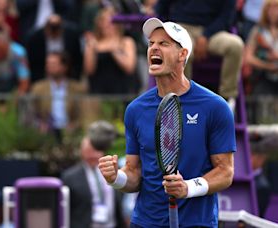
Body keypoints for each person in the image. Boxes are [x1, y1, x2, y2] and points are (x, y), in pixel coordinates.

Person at [99, 17, 236, 227]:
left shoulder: (215, 107)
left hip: (196, 223)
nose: (154, 48)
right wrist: (115, 178)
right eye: (151, 43)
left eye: (164, 44)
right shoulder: (135, 110)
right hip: (145, 222)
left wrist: (188, 188)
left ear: (182, 55)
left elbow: (225, 172)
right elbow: (134, 173)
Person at [155, 0, 245, 112]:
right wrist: (170, 30)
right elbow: (161, 8)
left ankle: (227, 101)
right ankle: (181, 100)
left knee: (235, 46)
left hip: (213, 31)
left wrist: (206, 35)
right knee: (182, 51)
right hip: (181, 28)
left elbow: (227, 16)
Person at [61, 120, 125, 228]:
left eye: (95, 150)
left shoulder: (114, 170)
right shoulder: (70, 177)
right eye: (88, 151)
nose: (93, 155)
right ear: (82, 151)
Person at [30, 52, 85, 144]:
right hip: (46, 132)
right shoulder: (38, 88)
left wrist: (75, 125)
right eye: (48, 63)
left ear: (64, 67)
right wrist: (39, 124)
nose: (49, 67)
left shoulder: (77, 88)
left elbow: (84, 114)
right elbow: (31, 112)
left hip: (70, 132)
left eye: (53, 64)